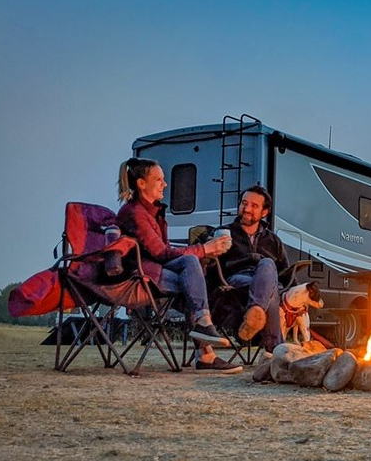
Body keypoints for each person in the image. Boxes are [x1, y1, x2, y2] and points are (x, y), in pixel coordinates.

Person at [116, 158, 241, 372]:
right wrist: (205, 249)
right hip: (139, 274)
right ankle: (205, 349)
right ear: (141, 184)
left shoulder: (152, 212)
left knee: (194, 271)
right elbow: (160, 253)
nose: (164, 184)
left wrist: (203, 254)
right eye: (159, 179)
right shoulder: (135, 213)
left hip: (154, 269)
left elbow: (162, 252)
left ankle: (205, 341)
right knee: (191, 268)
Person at [221, 184, 290, 353]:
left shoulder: (273, 240)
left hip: (269, 279)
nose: (247, 209)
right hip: (238, 280)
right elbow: (214, 265)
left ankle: (255, 314)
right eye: (244, 203)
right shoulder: (224, 233)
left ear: (264, 212)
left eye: (254, 206)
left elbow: (286, 271)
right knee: (270, 291)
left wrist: (297, 293)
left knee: (267, 264)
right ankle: (275, 350)